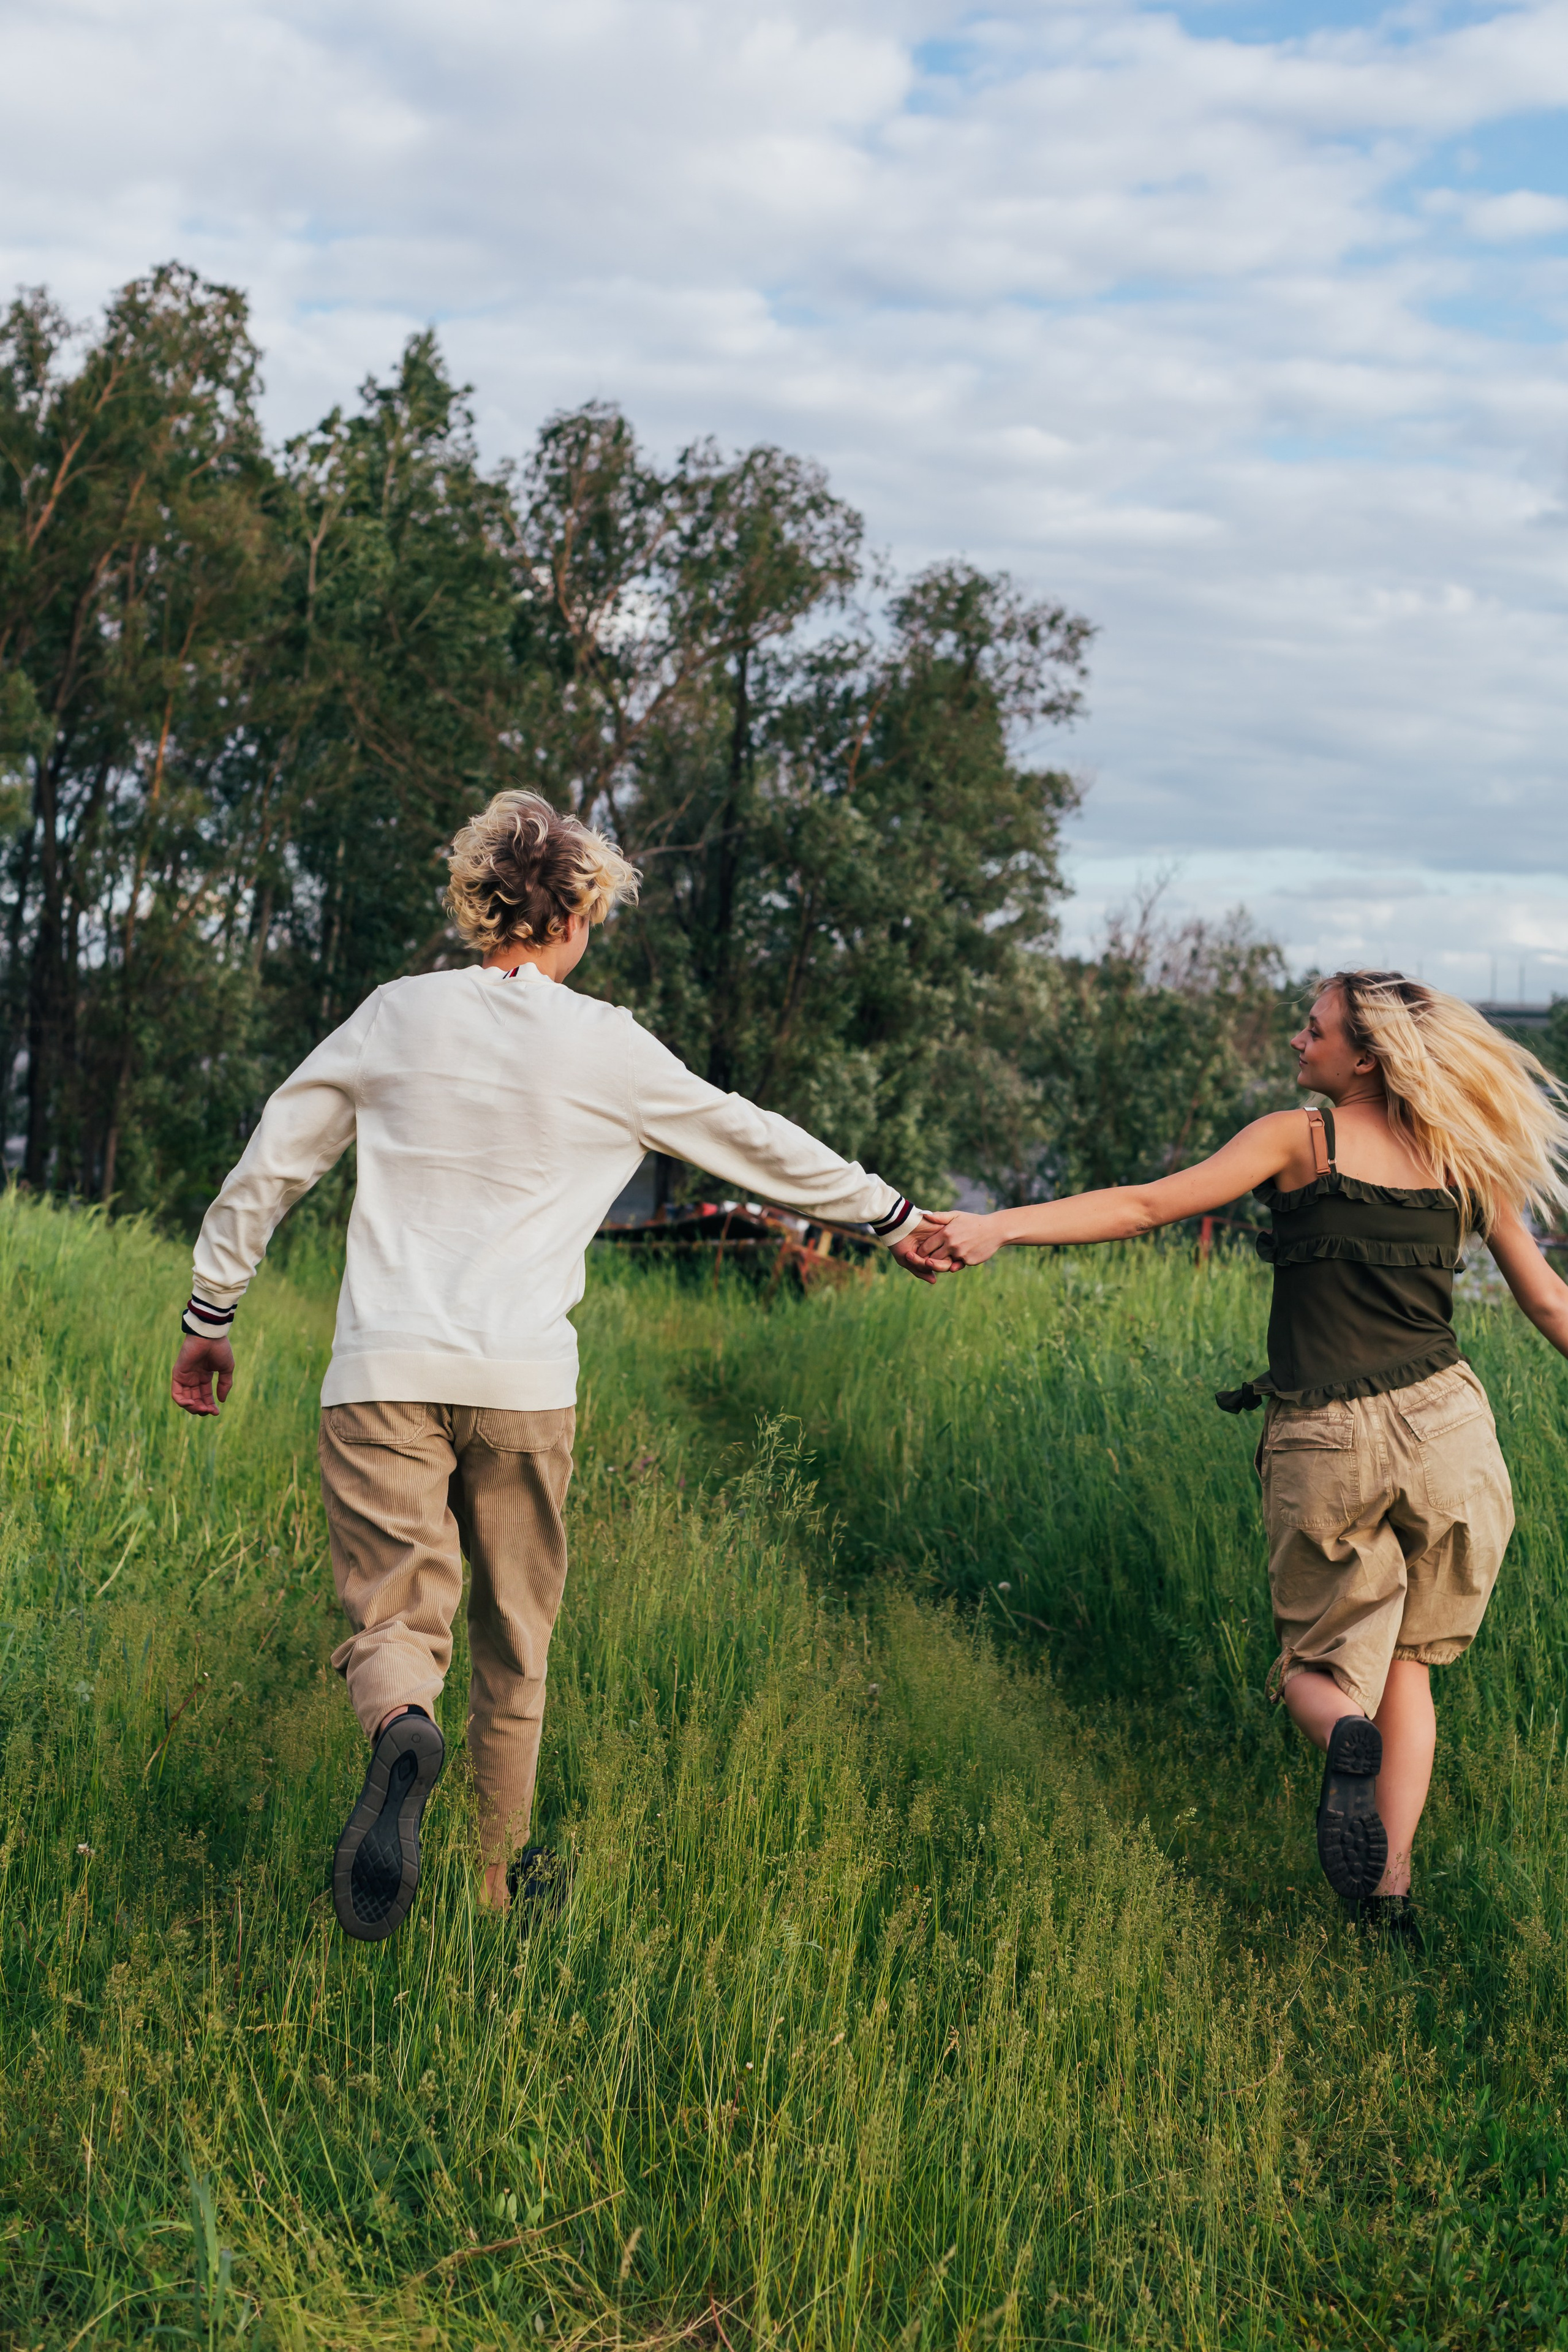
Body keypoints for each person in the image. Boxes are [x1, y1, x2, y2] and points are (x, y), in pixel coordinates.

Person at [171, 791, 946, 1942]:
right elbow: (750, 1136)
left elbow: (273, 1163)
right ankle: (493, 1883)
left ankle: (401, 1729)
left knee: (395, 1616)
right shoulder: (608, 1046)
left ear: (476, 905)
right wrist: (891, 1217)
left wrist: (212, 1311)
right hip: (525, 1386)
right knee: (515, 1638)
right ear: (578, 917)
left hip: (383, 1372)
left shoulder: (396, 1014)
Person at [919, 971, 1568, 1933]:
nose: (1298, 1041)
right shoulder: (1461, 1151)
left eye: (1315, 1030)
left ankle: (1343, 1738)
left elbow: (1145, 1206)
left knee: (1318, 1667)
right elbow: (1549, 1302)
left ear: (1367, 1058)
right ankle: (1387, 1905)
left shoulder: (1300, 1139)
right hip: (1450, 1435)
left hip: (1330, 1436)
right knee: (1412, 1667)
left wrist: (998, 1225)